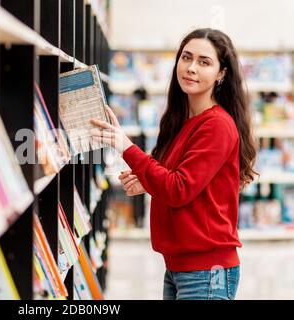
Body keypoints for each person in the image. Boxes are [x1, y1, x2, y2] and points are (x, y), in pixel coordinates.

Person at [90, 28, 257, 300]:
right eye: (186, 57)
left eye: (204, 62)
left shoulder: (216, 125)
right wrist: (149, 181)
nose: (191, 68)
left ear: (221, 73)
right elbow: (180, 179)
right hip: (181, 267)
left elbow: (179, 188)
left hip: (206, 271)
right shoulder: (183, 121)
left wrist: (125, 146)